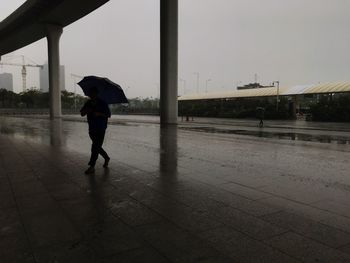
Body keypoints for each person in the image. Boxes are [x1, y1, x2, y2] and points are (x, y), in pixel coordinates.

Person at [80, 87, 111, 174]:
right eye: (90, 93)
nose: (91, 95)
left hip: (101, 128)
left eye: (93, 93)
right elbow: (82, 113)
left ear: (97, 94)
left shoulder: (103, 103)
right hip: (91, 128)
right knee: (97, 146)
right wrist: (87, 110)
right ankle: (106, 157)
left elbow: (108, 114)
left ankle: (92, 166)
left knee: (95, 147)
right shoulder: (88, 103)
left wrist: (99, 113)